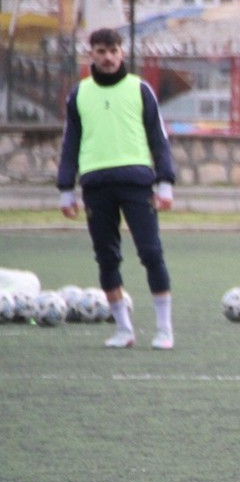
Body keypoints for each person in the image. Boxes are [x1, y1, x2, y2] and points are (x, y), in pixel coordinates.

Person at [57, 27, 176, 350]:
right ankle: (123, 329)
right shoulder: (78, 94)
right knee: (107, 259)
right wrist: (65, 188)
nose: (107, 57)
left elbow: (159, 139)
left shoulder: (140, 89)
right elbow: (71, 144)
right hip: (96, 185)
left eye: (113, 51)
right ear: (91, 54)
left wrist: (165, 182)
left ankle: (164, 329)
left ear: (121, 53)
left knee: (151, 253)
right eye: (100, 51)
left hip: (137, 184)